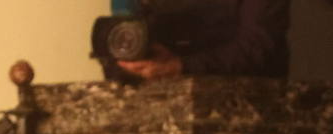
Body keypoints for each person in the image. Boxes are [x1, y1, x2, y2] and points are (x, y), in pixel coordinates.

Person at [107, 0, 289, 82]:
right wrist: (135, 65)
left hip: (250, 110)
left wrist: (179, 66)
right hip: (155, 111)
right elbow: (120, 44)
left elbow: (259, 48)